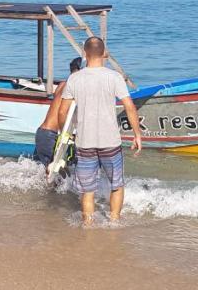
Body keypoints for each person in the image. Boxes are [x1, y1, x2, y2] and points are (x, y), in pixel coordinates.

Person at [55, 37, 143, 226]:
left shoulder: (75, 78)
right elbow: (129, 106)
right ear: (104, 53)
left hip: (84, 142)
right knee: (116, 185)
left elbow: (62, 111)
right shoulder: (114, 77)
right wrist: (137, 134)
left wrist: (66, 133)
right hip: (110, 141)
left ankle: (88, 225)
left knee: (88, 190)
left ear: (85, 54)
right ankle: (114, 222)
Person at [34, 57, 84, 168]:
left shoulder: (62, 84)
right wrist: (66, 137)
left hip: (42, 133)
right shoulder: (74, 87)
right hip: (50, 136)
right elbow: (62, 113)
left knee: (46, 175)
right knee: (56, 177)